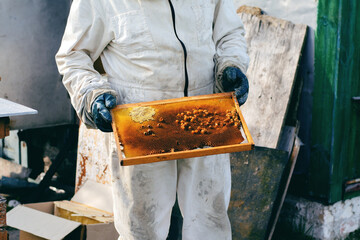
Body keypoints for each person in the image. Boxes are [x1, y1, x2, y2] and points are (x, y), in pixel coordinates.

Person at [56, 0, 249, 239]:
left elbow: (229, 33)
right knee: (141, 228)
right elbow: (74, 56)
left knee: (210, 221)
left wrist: (232, 64)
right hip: (140, 124)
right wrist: (90, 94)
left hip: (205, 114)